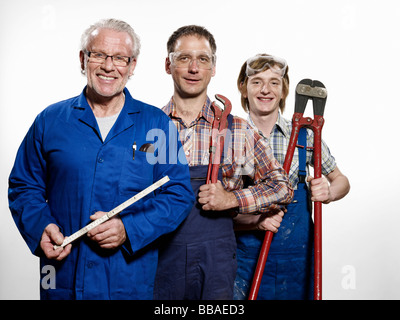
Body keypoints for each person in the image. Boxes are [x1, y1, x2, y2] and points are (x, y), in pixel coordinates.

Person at [8, 19, 195, 300]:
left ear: (132, 66)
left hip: (128, 279)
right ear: (83, 59)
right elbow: (25, 186)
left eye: (120, 58)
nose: (109, 66)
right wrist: (40, 227)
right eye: (99, 55)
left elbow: (178, 192)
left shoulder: (155, 124)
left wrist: (128, 230)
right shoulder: (50, 120)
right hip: (62, 276)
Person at [153, 26, 294, 300]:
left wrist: (232, 199)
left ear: (213, 67)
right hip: (161, 263)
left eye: (203, 59)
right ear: (168, 65)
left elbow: (282, 188)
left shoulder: (239, 130)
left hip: (216, 267)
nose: (194, 68)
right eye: (183, 58)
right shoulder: (149, 126)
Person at [233, 53, 350, 300]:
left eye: (274, 82)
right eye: (256, 82)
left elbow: (341, 181)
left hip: (297, 261)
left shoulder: (305, 136)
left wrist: (329, 192)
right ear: (243, 88)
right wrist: (254, 221)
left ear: (284, 90)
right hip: (245, 259)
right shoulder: (231, 138)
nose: (265, 89)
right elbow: (218, 207)